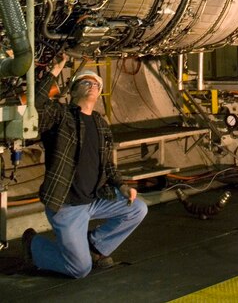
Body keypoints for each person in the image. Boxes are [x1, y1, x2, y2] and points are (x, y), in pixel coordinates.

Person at [22, 54, 147, 278]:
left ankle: (95, 246)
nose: (92, 86)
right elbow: (36, 106)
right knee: (79, 269)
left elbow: (107, 164)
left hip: (95, 200)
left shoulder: (100, 123)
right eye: (86, 83)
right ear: (73, 91)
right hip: (67, 206)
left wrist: (122, 186)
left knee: (138, 209)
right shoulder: (60, 115)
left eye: (96, 84)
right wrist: (54, 71)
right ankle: (34, 245)